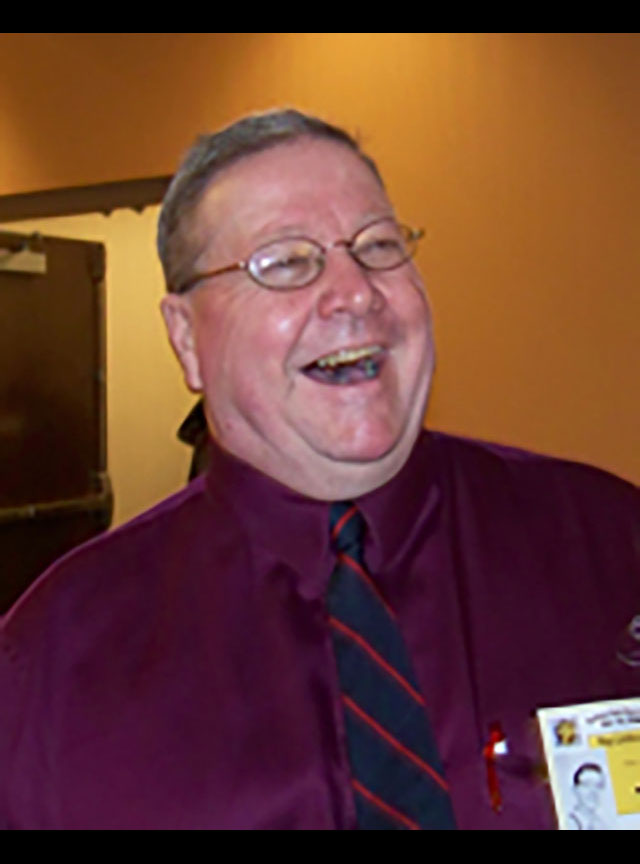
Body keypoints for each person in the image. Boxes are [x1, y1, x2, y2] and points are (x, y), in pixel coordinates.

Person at [0, 109, 638, 830]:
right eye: (285, 262)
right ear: (186, 339)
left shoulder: (611, 548)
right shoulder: (49, 666)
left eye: (378, 246)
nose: (356, 292)